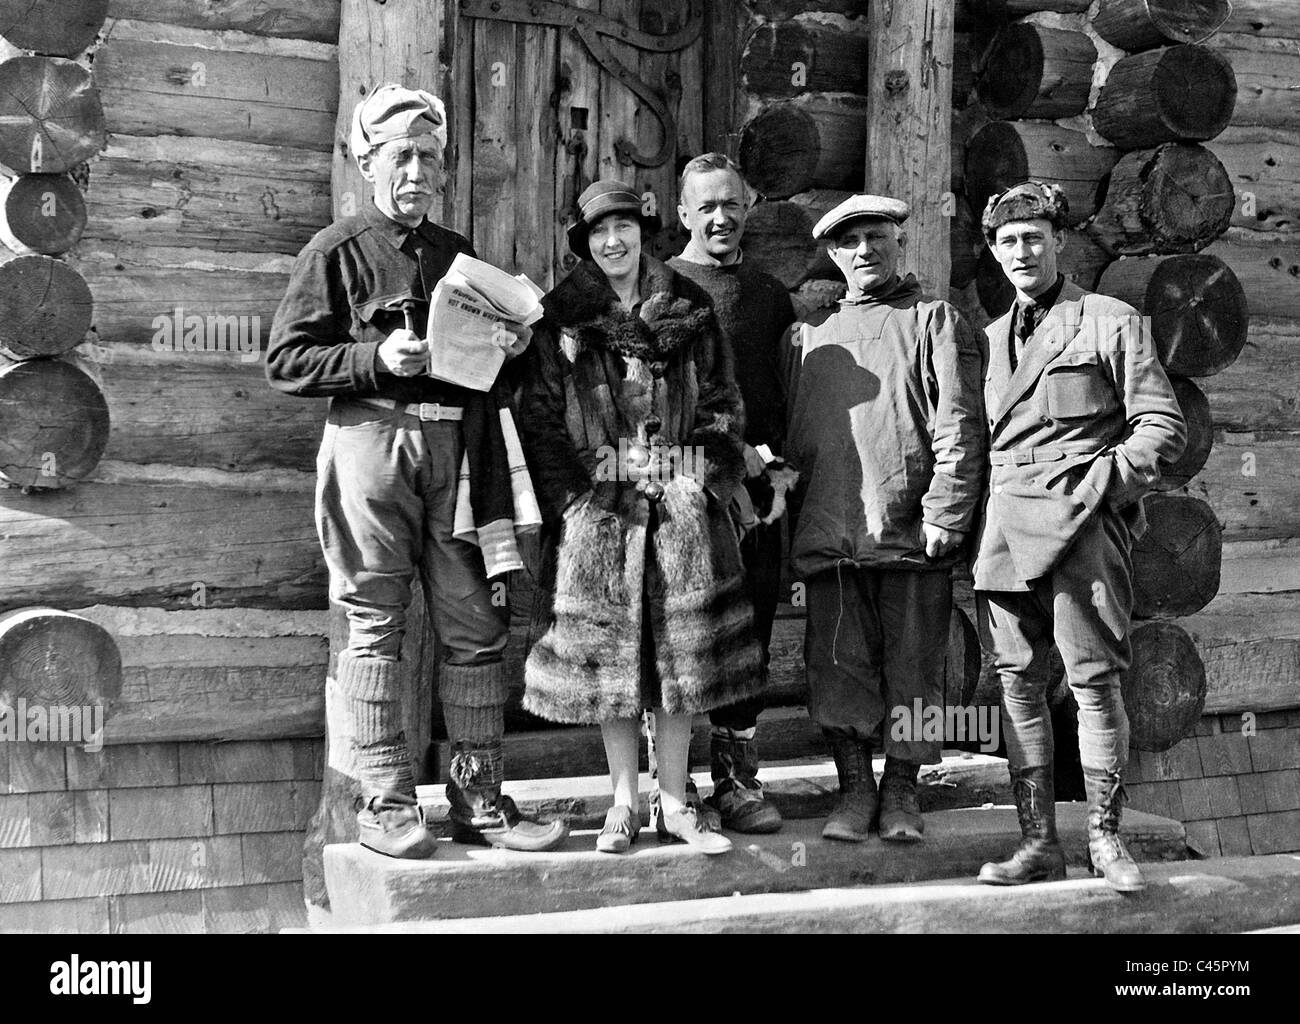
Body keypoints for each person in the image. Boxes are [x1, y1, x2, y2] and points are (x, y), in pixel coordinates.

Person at [266, 84, 568, 858]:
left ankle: (478, 799)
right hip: (372, 445)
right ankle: (387, 805)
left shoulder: (455, 253)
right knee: (374, 626)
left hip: (458, 451)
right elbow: (287, 360)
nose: (417, 170)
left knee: (474, 626)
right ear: (368, 163)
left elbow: (484, 365)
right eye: (400, 155)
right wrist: (373, 358)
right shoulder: (334, 250)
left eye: (429, 157)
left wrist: (506, 348)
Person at [516, 179, 763, 855]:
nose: (614, 241)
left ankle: (677, 802)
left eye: (624, 227)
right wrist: (576, 491)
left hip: (680, 506)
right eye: (600, 233)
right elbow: (538, 415)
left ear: (643, 234)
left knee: (681, 658)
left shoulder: (690, 307)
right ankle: (623, 803)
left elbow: (721, 405)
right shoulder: (562, 318)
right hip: (602, 512)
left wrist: (698, 477)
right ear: (585, 244)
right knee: (614, 662)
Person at [973, 181, 1186, 892]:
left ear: (1059, 243)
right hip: (1006, 538)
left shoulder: (1109, 321)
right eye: (1008, 241)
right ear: (994, 253)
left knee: (1094, 686)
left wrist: (1096, 491)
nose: (1022, 251)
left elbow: (1162, 431)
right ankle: (1038, 844)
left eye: (1034, 236)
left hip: (1083, 536)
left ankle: (1105, 840)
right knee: (1018, 689)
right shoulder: (990, 340)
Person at [783, 194, 987, 843]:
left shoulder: (935, 322)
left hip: (910, 535)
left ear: (899, 241)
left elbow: (959, 427)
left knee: (915, 671)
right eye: (850, 242)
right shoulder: (807, 336)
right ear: (834, 255)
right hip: (833, 533)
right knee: (838, 670)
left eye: (876, 237)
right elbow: (793, 441)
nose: (864, 250)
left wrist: (947, 513)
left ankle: (903, 792)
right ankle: (855, 792)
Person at [664, 152, 797, 835]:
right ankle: (674, 786)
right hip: (684, 492)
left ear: (748, 209)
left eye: (731, 204)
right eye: (706, 206)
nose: (720, 217)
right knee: (684, 633)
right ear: (683, 213)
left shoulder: (771, 297)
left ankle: (739, 782)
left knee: (750, 629)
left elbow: (780, 398)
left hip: (756, 497)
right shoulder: (660, 288)